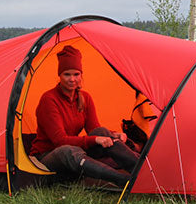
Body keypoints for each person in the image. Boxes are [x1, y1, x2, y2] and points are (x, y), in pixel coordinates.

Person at [30, 45, 139, 188]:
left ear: (81, 75)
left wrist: (114, 135)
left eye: (76, 74)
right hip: (47, 156)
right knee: (68, 151)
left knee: (102, 132)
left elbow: (95, 129)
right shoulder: (49, 99)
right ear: (59, 76)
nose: (72, 79)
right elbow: (59, 141)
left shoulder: (85, 98)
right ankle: (124, 181)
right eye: (67, 74)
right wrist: (96, 139)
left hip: (74, 149)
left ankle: (141, 170)